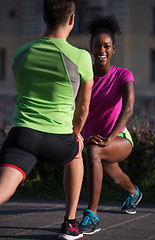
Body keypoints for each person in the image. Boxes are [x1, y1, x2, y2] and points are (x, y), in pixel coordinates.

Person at [0, 0, 93, 239]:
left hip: (23, 135)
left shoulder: (21, 53)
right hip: (59, 139)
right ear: (72, 19)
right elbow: (83, 107)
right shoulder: (81, 57)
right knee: (76, 152)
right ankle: (70, 224)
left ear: (44, 18)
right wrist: (76, 133)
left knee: (3, 190)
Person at [80, 15, 143, 235]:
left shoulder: (123, 75)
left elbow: (128, 110)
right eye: (97, 46)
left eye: (106, 46)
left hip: (119, 139)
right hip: (93, 139)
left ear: (113, 48)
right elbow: (76, 109)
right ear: (91, 48)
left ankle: (92, 216)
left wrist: (108, 138)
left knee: (95, 151)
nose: (101, 51)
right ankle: (134, 192)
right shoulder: (84, 78)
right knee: (115, 176)